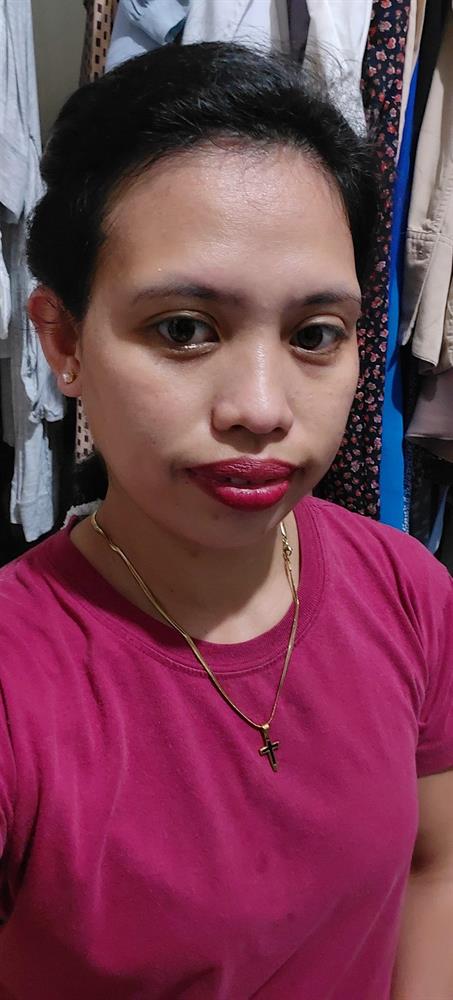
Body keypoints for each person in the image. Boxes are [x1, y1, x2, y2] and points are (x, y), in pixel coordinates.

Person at [0, 41, 452, 1000]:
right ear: (63, 341)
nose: (261, 408)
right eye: (183, 329)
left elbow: (433, 866)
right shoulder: (18, 680)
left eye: (314, 335)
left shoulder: (408, 588)